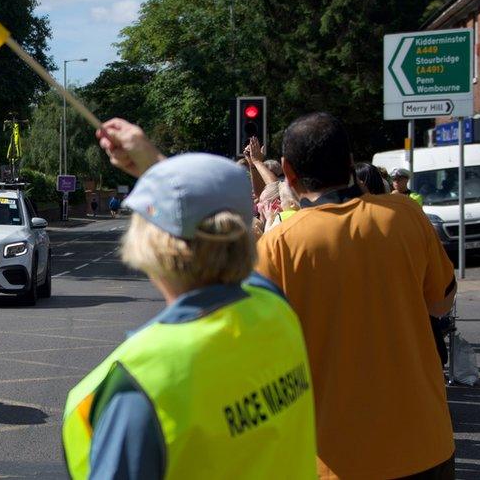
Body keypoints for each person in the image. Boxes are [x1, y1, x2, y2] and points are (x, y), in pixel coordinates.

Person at [64, 143, 316, 479]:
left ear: (152, 245)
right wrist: (157, 167)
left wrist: (160, 172)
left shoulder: (142, 383)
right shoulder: (275, 307)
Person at [257, 113, 456, 478]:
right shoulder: (406, 216)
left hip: (334, 459)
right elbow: (441, 302)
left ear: (287, 170)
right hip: (425, 445)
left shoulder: (277, 246)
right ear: (351, 162)